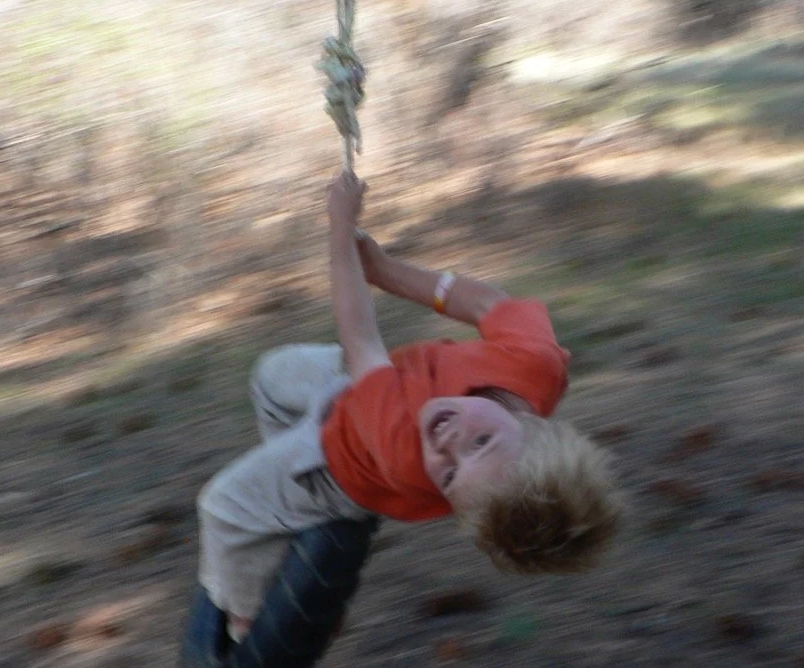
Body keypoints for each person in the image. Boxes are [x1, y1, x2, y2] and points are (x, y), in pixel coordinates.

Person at [197, 173, 623, 641]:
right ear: (534, 424)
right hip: (377, 383)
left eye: (449, 476)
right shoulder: (536, 364)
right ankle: (294, 519)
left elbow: (359, 336)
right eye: (480, 443)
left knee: (222, 505)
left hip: (342, 461)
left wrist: (339, 226)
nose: (447, 446)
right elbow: (487, 304)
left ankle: (254, 613)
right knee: (271, 376)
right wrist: (384, 269)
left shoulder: (405, 446)